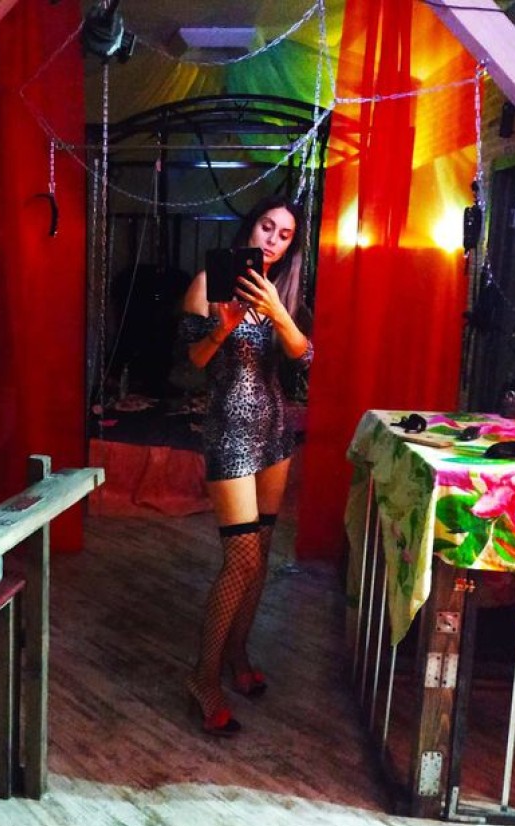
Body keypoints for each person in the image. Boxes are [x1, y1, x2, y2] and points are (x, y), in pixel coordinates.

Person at [180, 195, 313, 736]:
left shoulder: (282, 293)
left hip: (275, 432)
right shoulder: (207, 283)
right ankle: (203, 677)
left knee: (259, 558)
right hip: (229, 434)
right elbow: (193, 360)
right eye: (266, 227)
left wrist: (278, 311)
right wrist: (223, 326)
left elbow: (304, 356)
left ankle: (238, 653)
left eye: (284, 235)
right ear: (250, 228)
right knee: (240, 560)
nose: (272, 240)